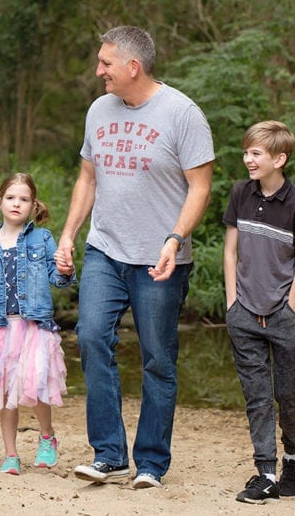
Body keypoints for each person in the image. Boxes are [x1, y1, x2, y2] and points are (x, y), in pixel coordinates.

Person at [55, 25, 214, 489]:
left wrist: (175, 237)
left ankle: (150, 462)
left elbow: (200, 186)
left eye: (105, 63)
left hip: (159, 258)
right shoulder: (99, 110)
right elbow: (88, 178)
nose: (98, 70)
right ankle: (108, 454)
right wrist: (69, 234)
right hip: (105, 249)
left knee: (158, 359)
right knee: (89, 338)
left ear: (132, 67)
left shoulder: (183, 114)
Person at [0, 173, 75, 475]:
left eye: (24, 199)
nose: (16, 203)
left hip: (35, 328)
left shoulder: (42, 239)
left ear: (33, 205)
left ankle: (47, 436)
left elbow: (57, 277)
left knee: (34, 387)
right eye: (11, 197)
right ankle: (11, 454)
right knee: (6, 393)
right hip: (0, 329)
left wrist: (65, 269)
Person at [222, 120, 295, 504]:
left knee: (288, 394)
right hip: (243, 312)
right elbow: (230, 250)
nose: (248, 159)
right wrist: (232, 303)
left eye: (255, 153)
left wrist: (288, 309)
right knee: (256, 396)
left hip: (281, 315)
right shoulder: (240, 193)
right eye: (246, 152)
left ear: (279, 158)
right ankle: (266, 473)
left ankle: (292, 457)